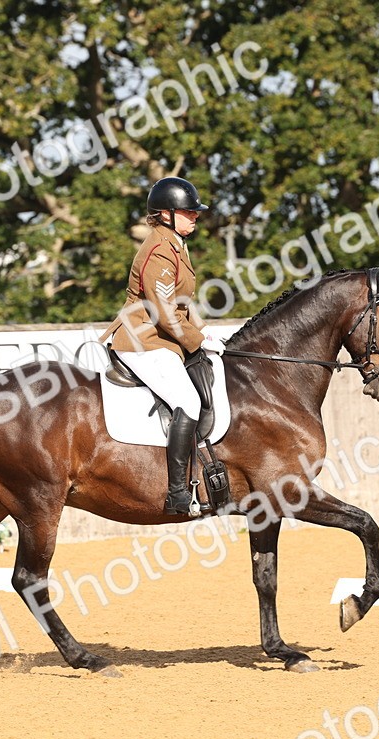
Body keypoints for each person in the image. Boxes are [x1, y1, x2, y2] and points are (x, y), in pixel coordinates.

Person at [101, 177, 225, 515]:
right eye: (188, 211)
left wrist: (206, 331)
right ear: (166, 214)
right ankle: (177, 493)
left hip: (161, 337)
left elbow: (183, 303)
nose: (195, 216)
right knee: (186, 399)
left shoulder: (175, 244)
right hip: (143, 338)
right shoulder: (158, 250)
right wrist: (198, 340)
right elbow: (165, 313)